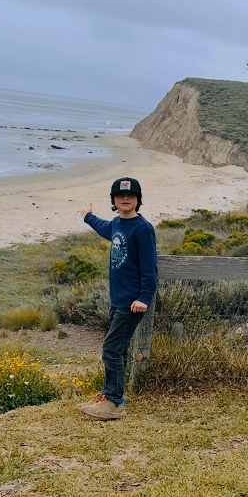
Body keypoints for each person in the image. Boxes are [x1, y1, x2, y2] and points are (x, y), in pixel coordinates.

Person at [76, 177, 159, 421]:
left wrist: (144, 296)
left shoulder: (142, 229)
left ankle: (113, 404)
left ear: (138, 200)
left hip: (133, 302)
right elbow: (104, 227)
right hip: (118, 300)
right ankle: (111, 396)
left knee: (111, 350)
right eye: (121, 196)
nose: (126, 199)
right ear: (114, 200)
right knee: (119, 351)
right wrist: (88, 217)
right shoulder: (117, 224)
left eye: (131, 196)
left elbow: (150, 267)